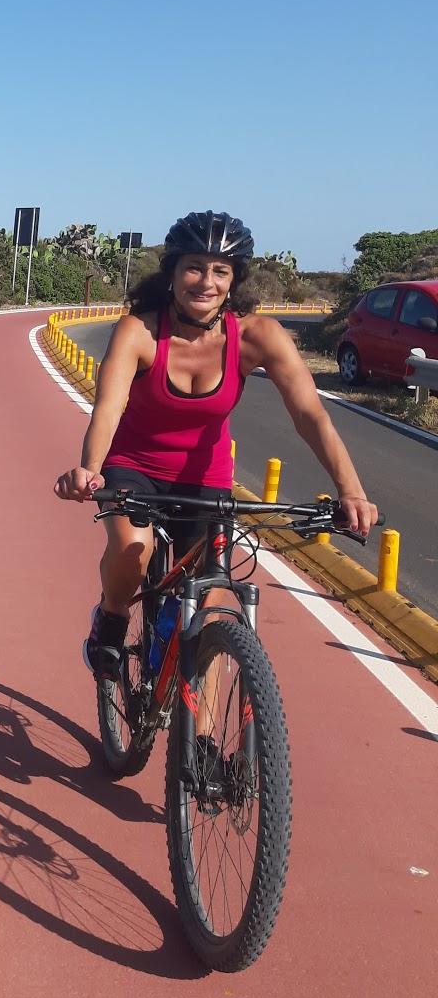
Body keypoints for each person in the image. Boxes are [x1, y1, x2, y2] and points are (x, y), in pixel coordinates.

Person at [54, 210, 378, 678]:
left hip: (205, 479)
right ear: (172, 272)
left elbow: (310, 414)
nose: (206, 281)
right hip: (134, 466)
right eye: (194, 267)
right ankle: (111, 616)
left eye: (220, 271)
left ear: (234, 280)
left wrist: (350, 490)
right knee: (134, 550)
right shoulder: (139, 331)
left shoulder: (256, 335)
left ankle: (203, 744)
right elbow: (108, 407)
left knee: (207, 608)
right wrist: (90, 468)